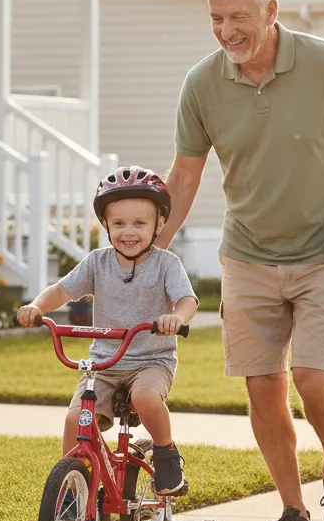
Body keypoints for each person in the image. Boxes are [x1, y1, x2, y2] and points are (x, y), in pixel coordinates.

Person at [156, 0, 324, 521]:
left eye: (238, 16)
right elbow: (184, 176)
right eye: (216, 18)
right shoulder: (202, 84)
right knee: (263, 387)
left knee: (314, 381)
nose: (227, 30)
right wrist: (147, 253)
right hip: (248, 254)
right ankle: (292, 513)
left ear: (271, 10)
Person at [17, 166, 199, 495]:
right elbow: (61, 291)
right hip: (103, 363)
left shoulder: (165, 264)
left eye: (139, 223)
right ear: (106, 225)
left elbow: (186, 300)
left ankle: (166, 451)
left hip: (151, 360)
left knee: (144, 397)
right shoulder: (97, 262)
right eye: (119, 224)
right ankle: (75, 492)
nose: (128, 232)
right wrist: (37, 306)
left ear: (159, 224)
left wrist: (178, 318)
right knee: (76, 421)